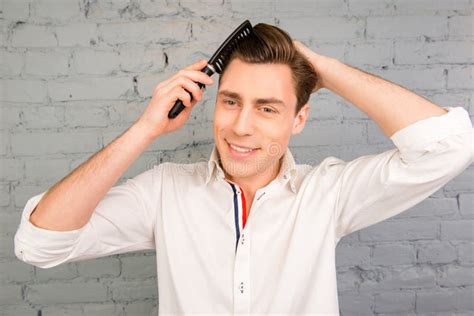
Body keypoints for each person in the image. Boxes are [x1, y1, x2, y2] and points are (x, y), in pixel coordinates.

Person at [14, 23, 473, 315]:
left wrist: (321, 67)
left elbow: (451, 146)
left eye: (268, 108)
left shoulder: (328, 193)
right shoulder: (164, 192)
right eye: (230, 101)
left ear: (299, 119)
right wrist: (144, 130)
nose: (240, 126)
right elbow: (40, 244)